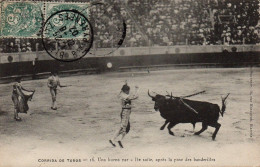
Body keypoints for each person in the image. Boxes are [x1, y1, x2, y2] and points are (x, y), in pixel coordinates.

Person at [109, 80, 139, 148]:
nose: (129, 91)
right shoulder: (125, 96)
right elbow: (135, 96)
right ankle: (117, 139)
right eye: (128, 90)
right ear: (125, 91)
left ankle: (113, 139)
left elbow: (123, 93)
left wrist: (125, 84)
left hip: (125, 112)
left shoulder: (121, 94)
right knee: (124, 128)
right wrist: (136, 89)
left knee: (123, 127)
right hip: (125, 113)